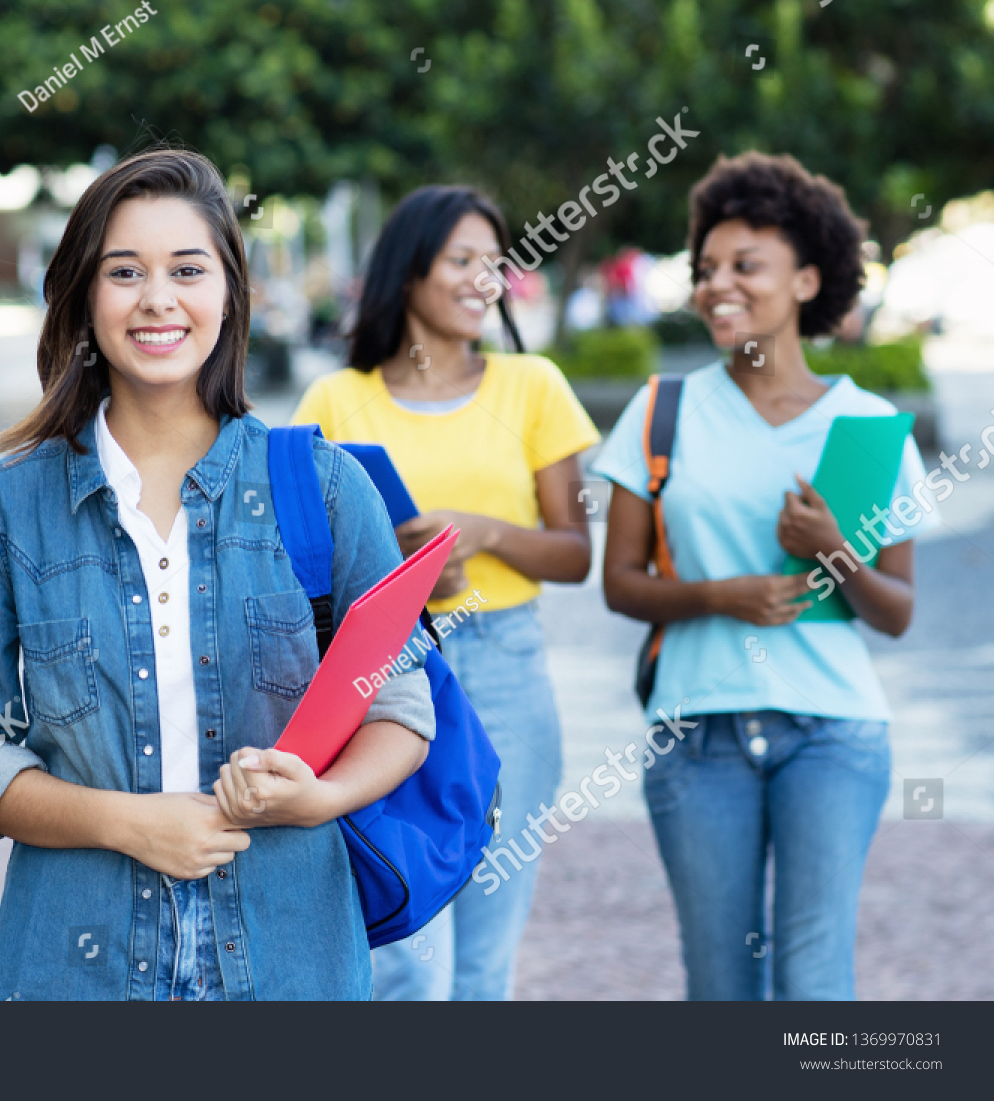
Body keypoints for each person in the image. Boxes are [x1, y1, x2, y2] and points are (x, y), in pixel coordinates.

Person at [0, 148, 435, 1001]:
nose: (158, 297)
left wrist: (318, 797)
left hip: (289, 957)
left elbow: (401, 706)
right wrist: (129, 824)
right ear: (84, 294)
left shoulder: (326, 488)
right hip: (77, 966)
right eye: (125, 271)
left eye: (187, 269)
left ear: (229, 292)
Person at [592, 152, 935, 1000]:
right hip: (695, 735)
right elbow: (620, 583)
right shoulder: (661, 410)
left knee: (814, 979)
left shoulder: (867, 425)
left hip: (834, 734)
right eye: (707, 269)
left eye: (747, 265)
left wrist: (835, 551)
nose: (718, 285)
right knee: (719, 985)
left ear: (808, 279)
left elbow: (896, 612)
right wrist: (721, 596)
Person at [292, 186, 600, 1001]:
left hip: (505, 664)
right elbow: (303, 561)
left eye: (494, 263)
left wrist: (483, 535)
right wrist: (389, 564)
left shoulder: (533, 386)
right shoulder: (335, 400)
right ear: (408, 271)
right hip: (381, 675)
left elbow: (575, 553)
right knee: (405, 948)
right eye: (461, 259)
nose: (483, 279)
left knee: (485, 957)